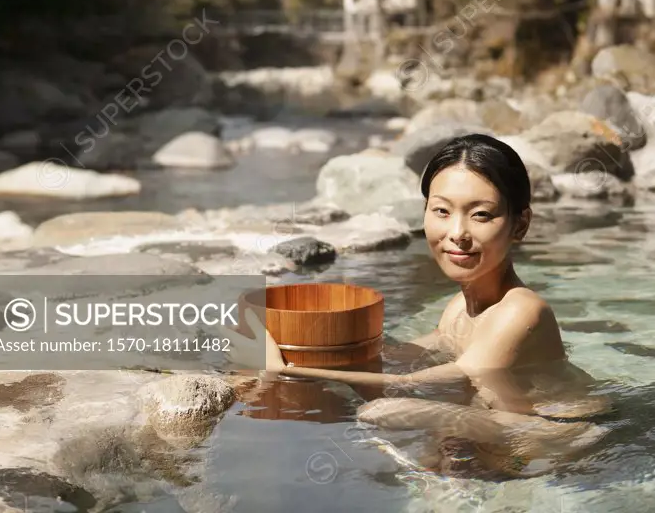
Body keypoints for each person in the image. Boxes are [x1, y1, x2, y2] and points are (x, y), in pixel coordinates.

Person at [232, 134, 612, 474]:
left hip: (555, 437)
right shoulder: (457, 310)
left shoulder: (521, 310)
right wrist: (296, 337)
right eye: (442, 211)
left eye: (481, 215)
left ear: (520, 224)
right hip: (499, 431)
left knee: (381, 410)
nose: (457, 233)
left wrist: (290, 369)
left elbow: (409, 382)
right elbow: (398, 358)